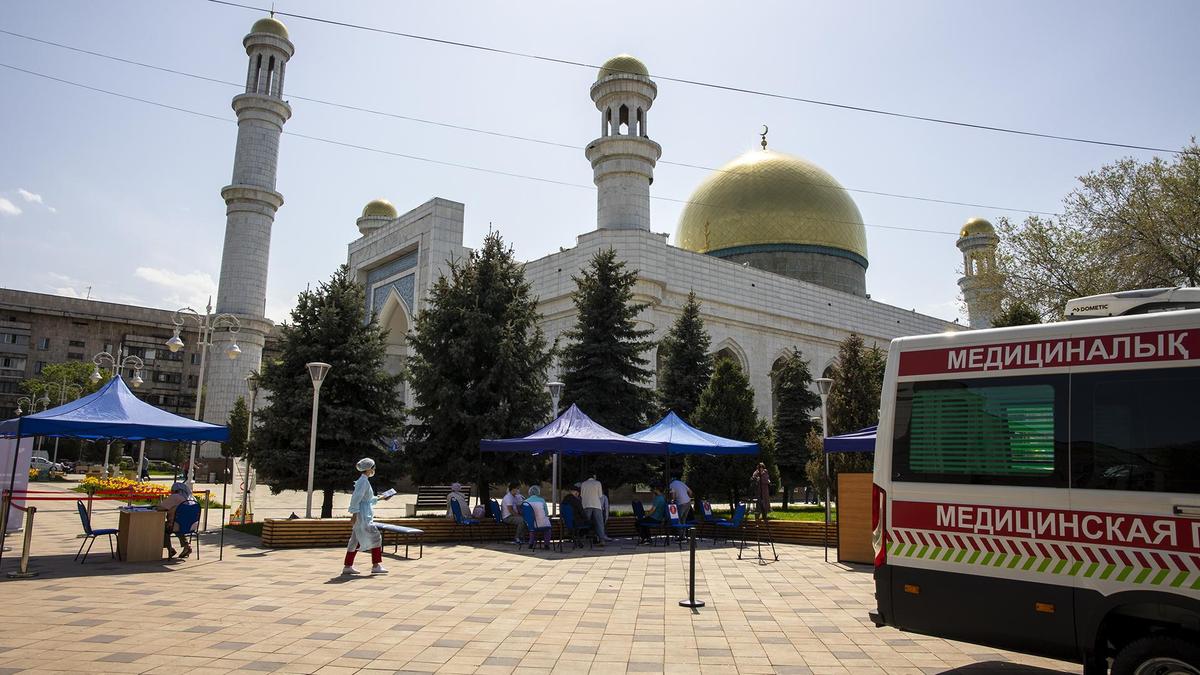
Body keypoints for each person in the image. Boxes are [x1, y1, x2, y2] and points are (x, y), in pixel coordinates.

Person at [344, 457, 393, 575]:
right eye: (373, 468)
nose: (374, 470)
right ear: (368, 469)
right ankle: (376, 565)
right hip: (363, 516)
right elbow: (356, 498)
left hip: (362, 514)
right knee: (376, 537)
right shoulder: (363, 482)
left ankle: (348, 566)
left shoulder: (363, 481)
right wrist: (354, 514)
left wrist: (381, 497)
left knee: (355, 541)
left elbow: (367, 499)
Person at [157, 481, 196, 559]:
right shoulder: (192, 499)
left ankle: (170, 549)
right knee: (179, 525)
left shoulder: (175, 497)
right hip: (191, 526)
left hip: (176, 525)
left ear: (175, 490)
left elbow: (160, 507)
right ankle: (186, 546)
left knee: (161, 527)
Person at [580, 474, 613, 542]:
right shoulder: (598, 483)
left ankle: (582, 537)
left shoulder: (583, 484)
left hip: (586, 505)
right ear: (594, 476)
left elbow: (582, 496)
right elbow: (600, 495)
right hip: (596, 505)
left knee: (585, 522)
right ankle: (602, 540)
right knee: (599, 523)